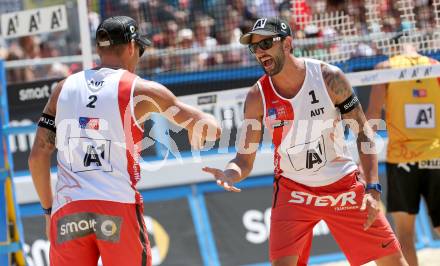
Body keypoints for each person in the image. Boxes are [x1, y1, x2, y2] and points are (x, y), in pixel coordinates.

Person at [203, 17, 408, 266]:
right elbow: (244, 160)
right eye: (254, 47)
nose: (259, 52)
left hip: (342, 185)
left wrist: (373, 187)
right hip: (294, 192)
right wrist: (230, 174)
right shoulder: (257, 97)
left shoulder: (328, 78)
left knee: (393, 261)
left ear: (288, 43)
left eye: (266, 43)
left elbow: (363, 132)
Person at [28, 16, 220, 266]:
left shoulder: (63, 88)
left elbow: (37, 156)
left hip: (69, 211)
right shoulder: (140, 90)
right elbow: (211, 129)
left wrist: (47, 212)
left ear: (99, 49)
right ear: (131, 47)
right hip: (116, 208)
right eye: (140, 49)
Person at [366, 43, 440, 266]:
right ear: (417, 48)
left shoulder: (386, 67)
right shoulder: (436, 67)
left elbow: (372, 116)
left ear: (394, 47)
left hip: (402, 158)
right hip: (435, 154)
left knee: (405, 234)